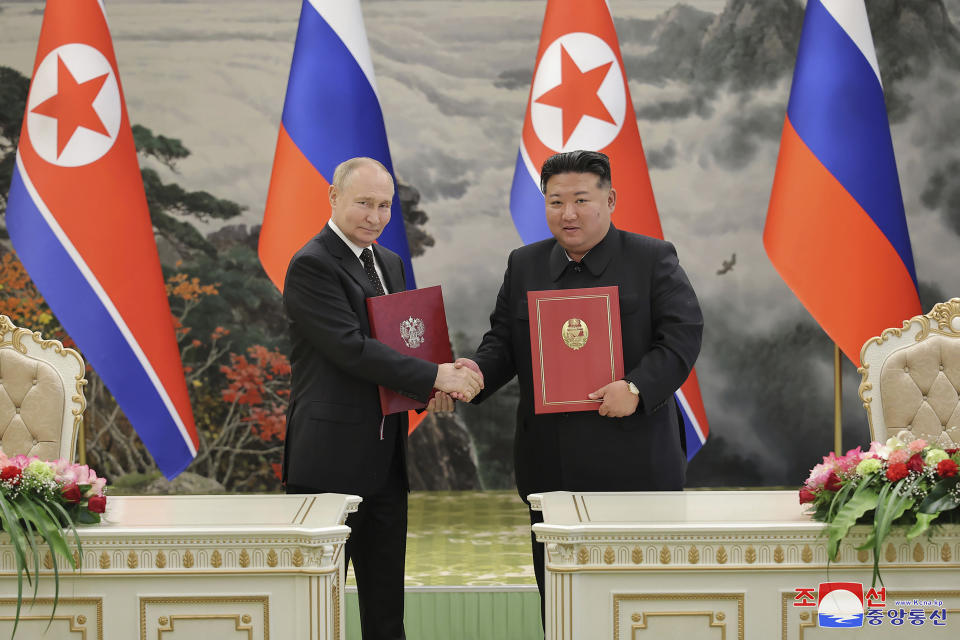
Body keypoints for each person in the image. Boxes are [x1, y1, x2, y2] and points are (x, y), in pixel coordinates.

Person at [457, 149, 703, 621]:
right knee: (563, 599)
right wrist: (474, 376)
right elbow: (504, 342)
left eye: (581, 200)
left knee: (640, 601)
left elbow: (681, 337)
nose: (567, 213)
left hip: (637, 463)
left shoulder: (652, 258)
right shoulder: (524, 263)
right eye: (555, 202)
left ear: (610, 200)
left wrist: (634, 388)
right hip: (552, 463)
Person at [282, 156, 483, 640]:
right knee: (313, 610)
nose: (375, 217)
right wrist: (436, 375)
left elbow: (403, 345)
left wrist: (429, 390)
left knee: (386, 612)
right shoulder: (311, 264)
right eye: (363, 203)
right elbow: (353, 350)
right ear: (333, 198)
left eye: (384, 206)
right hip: (328, 465)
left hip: (387, 464)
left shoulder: (389, 263)